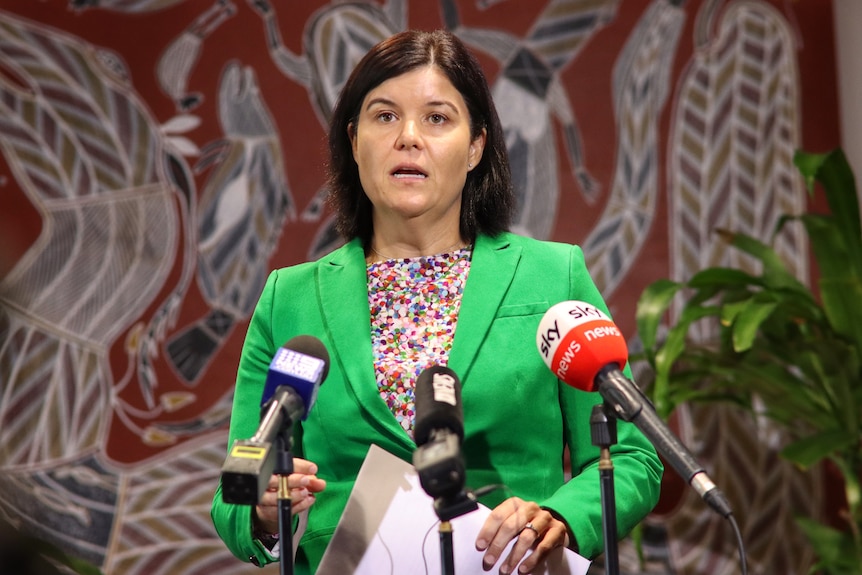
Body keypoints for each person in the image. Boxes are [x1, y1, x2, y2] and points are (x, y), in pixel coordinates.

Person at [211, 28, 663, 574]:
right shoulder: (291, 297)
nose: (408, 137)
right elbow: (234, 493)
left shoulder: (551, 276)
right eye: (384, 117)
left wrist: (559, 517)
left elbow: (633, 459)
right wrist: (261, 510)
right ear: (354, 142)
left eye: (437, 118)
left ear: (476, 147)